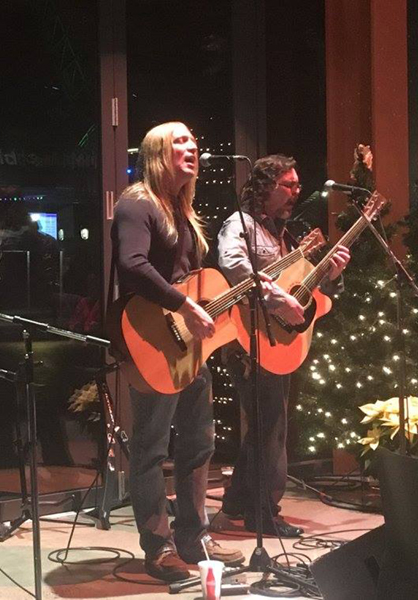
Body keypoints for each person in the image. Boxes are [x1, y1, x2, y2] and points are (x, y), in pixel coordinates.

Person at [111, 122, 244, 582]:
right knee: (150, 448)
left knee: (199, 443)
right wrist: (185, 306)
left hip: (189, 350)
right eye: (180, 141)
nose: (192, 146)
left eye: (193, 140)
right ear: (157, 153)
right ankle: (158, 547)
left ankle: (194, 538)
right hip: (152, 340)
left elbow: (189, 277)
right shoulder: (137, 202)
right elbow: (132, 264)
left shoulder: (181, 210)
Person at [216, 154, 350, 537]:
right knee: (270, 427)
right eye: (288, 185)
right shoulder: (239, 225)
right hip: (248, 342)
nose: (296, 192)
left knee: (266, 426)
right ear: (265, 186)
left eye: (297, 185)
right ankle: (263, 514)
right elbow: (233, 265)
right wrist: (276, 299)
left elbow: (305, 287)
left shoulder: (284, 235)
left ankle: (238, 503)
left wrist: (332, 274)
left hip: (277, 343)